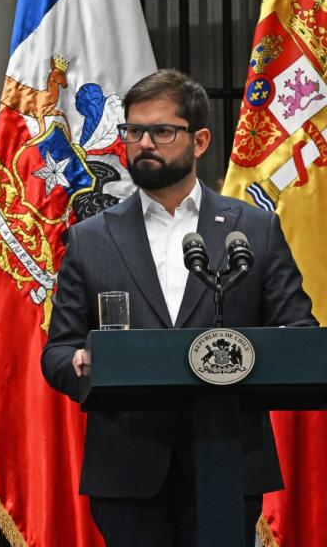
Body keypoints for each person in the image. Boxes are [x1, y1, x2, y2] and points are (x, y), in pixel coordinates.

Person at [41, 69, 316, 547]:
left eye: (162, 131)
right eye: (134, 131)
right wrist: (79, 364)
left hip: (228, 464)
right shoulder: (90, 238)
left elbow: (299, 333)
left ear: (200, 139)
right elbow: (58, 350)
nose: (144, 142)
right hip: (127, 472)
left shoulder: (253, 230)